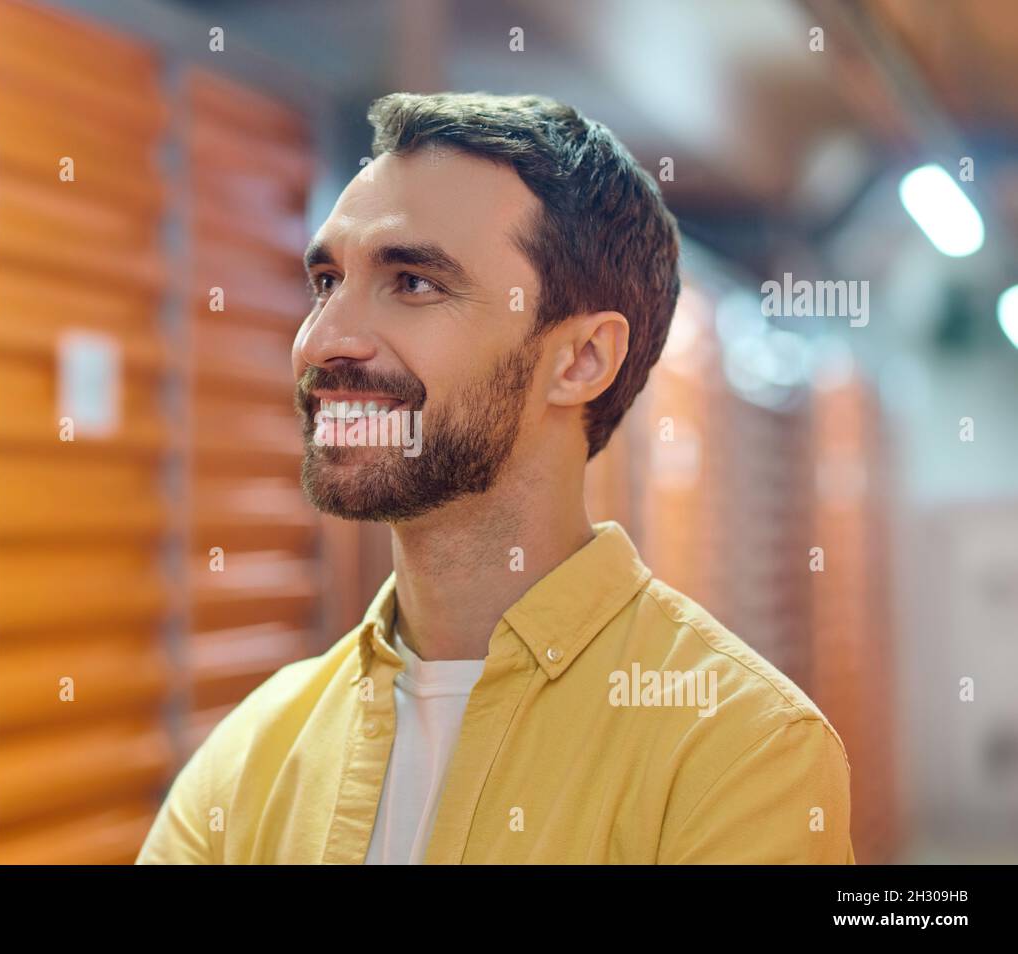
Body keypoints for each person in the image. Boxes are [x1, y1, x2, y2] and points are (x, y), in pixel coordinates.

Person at [137, 91, 854, 864]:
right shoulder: (249, 756)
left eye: (413, 282)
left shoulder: (740, 753)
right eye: (325, 283)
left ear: (581, 360)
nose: (323, 340)